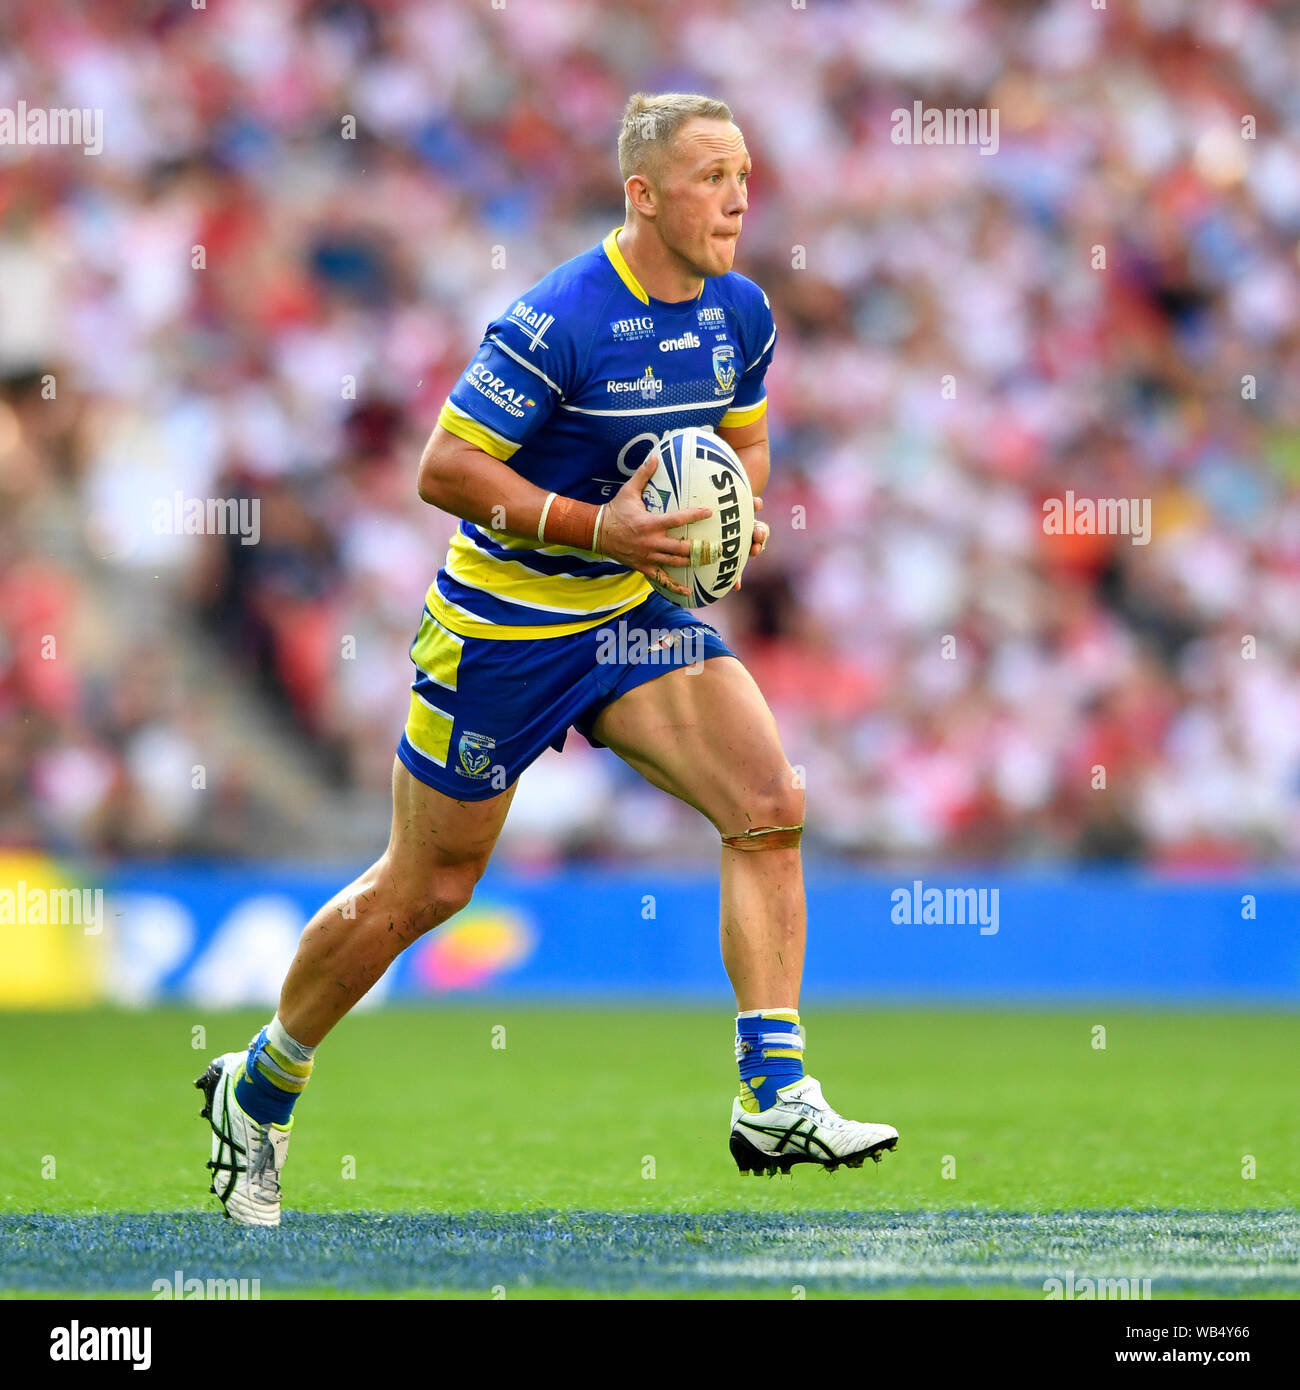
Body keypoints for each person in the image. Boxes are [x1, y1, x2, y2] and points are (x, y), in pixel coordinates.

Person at [196, 91, 898, 1226]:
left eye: (744, 172)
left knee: (768, 802)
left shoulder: (741, 311)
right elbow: (445, 468)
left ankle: (773, 1092)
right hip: (504, 631)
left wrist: (737, 512)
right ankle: (258, 1086)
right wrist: (600, 526)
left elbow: (748, 440)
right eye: (711, 175)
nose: (737, 196)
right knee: (424, 886)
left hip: (629, 618)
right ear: (642, 193)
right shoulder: (558, 318)